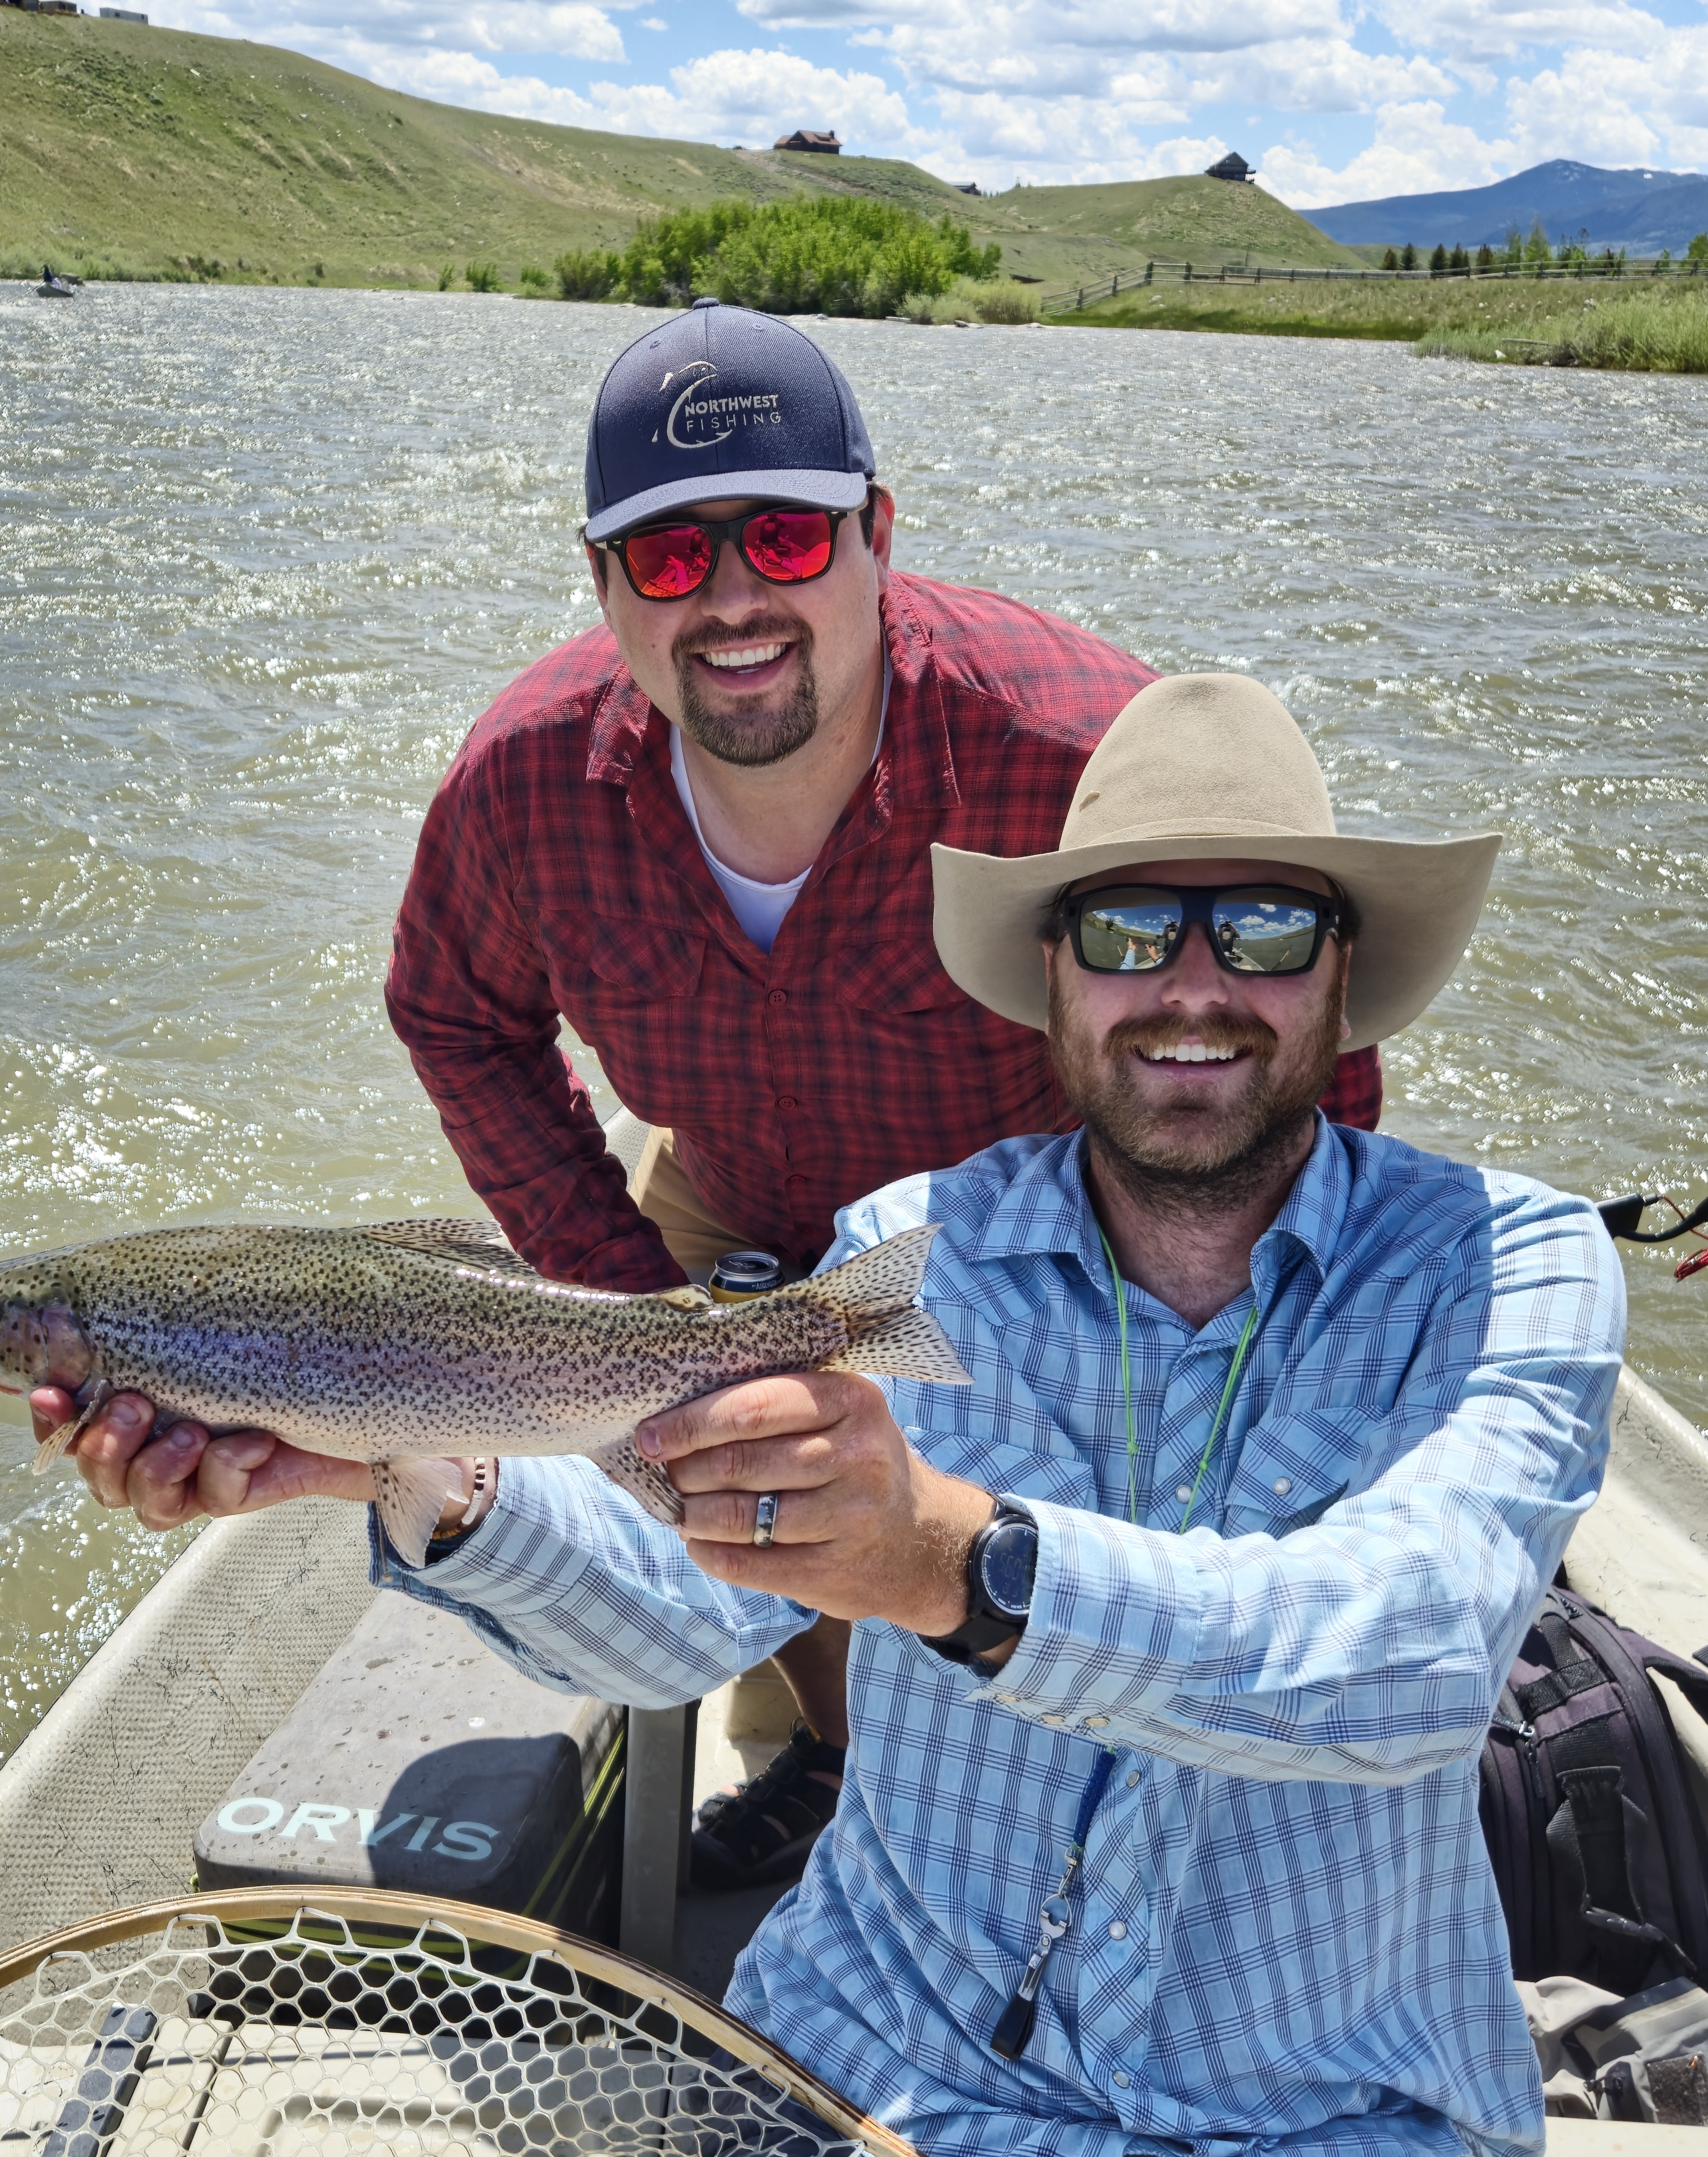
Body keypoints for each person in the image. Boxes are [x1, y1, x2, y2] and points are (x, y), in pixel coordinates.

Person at [38, 670, 1622, 2157]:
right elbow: (683, 1618)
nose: (1191, 988)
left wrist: (957, 1562)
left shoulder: (1505, 1266)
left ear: (1343, 974)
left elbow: (1420, 1654)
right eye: (1129, 930)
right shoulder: (904, 1252)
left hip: (1313, 2156)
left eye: (1261, 930)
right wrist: (406, 1464)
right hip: (876, 2100)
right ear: (1050, 978)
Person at [379, 297, 1379, 1887]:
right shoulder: (520, 784)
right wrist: (638, 1315)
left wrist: (1213, 1350)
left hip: (1022, 1212)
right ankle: (844, 1746)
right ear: (602, 583)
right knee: (719, 1484)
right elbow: (449, 1011)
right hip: (727, 1186)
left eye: (780, 540)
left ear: (874, 536)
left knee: (1010, 1542)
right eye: (664, 556)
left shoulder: (1067, 751)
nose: (726, 601)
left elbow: (1302, 1051)